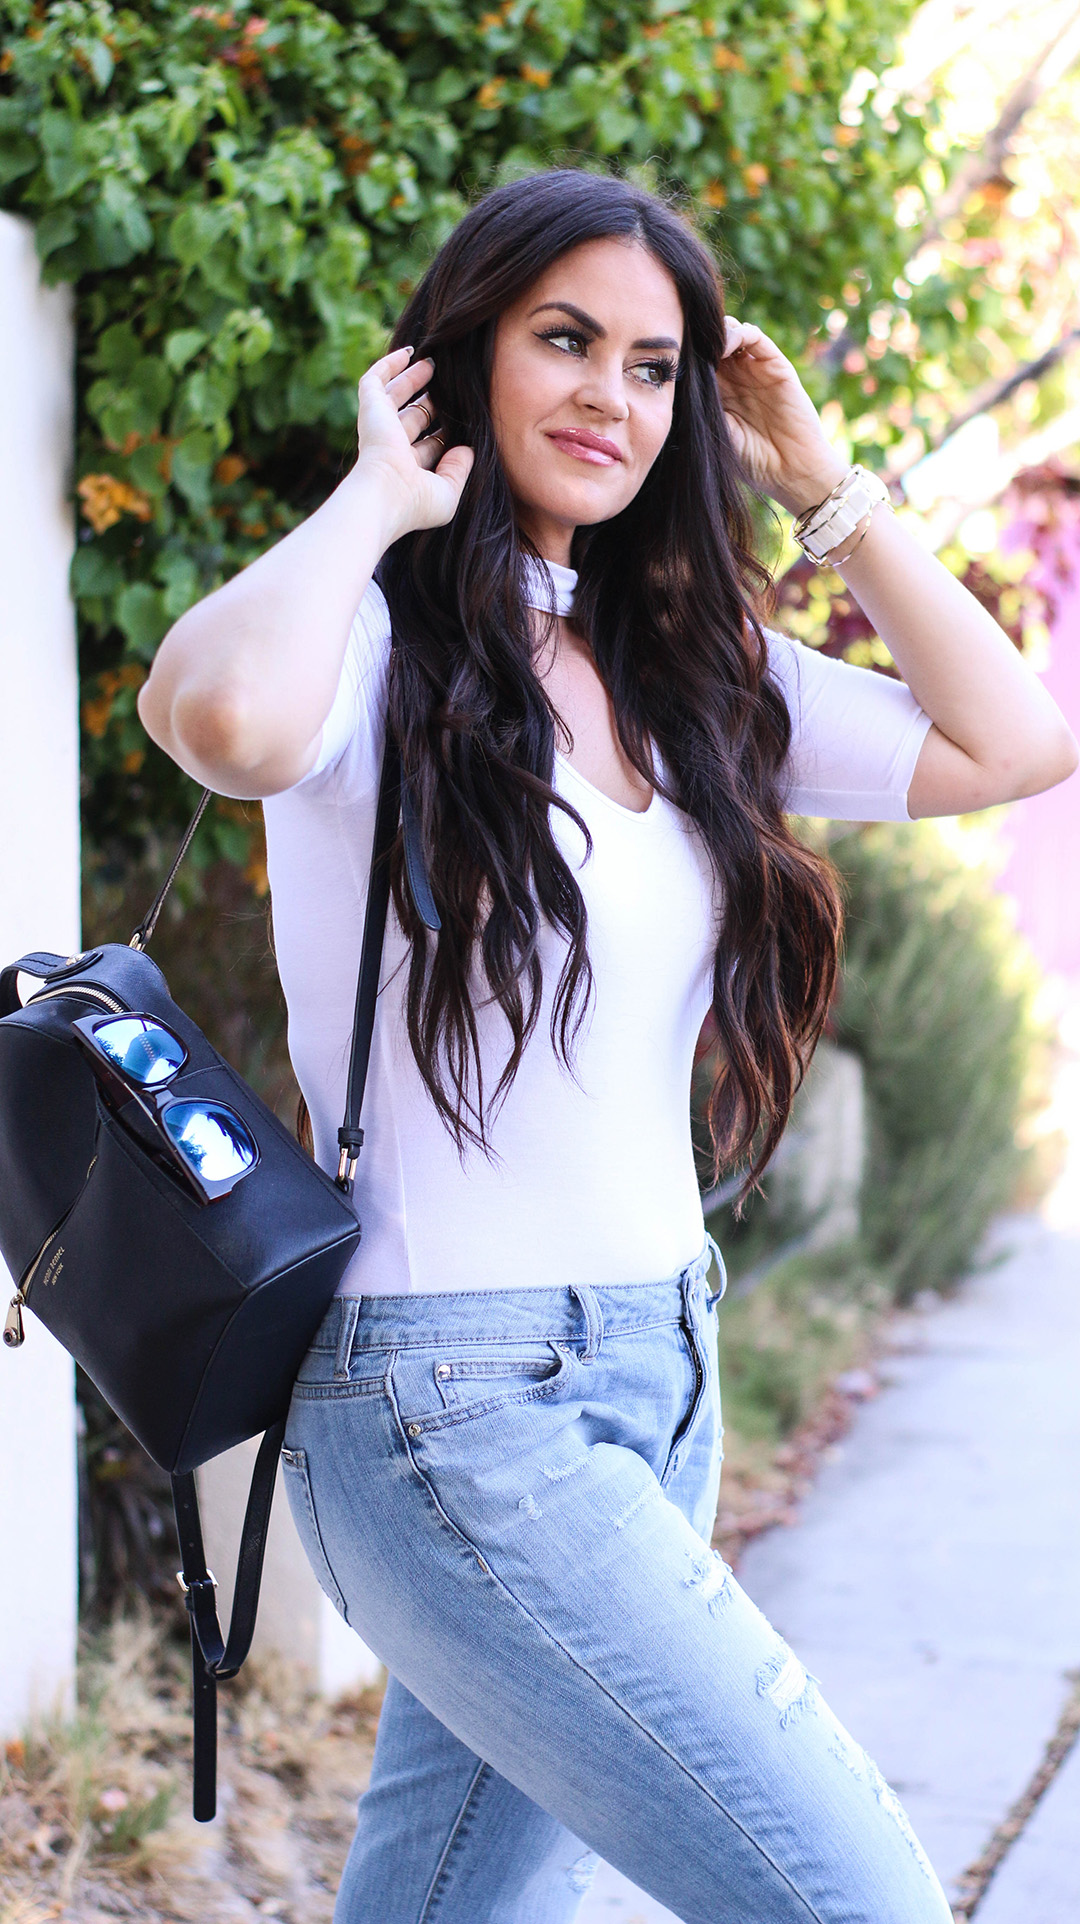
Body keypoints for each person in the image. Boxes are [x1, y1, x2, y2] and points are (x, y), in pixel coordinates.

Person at [137, 170, 1076, 1924]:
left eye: (653, 367)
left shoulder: (690, 673)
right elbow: (217, 716)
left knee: (451, 1906)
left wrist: (826, 488)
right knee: (849, 1896)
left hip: (660, 1372)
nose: (610, 398)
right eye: (564, 341)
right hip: (446, 1404)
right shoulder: (371, 647)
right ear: (463, 355)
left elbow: (1014, 741)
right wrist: (375, 495)